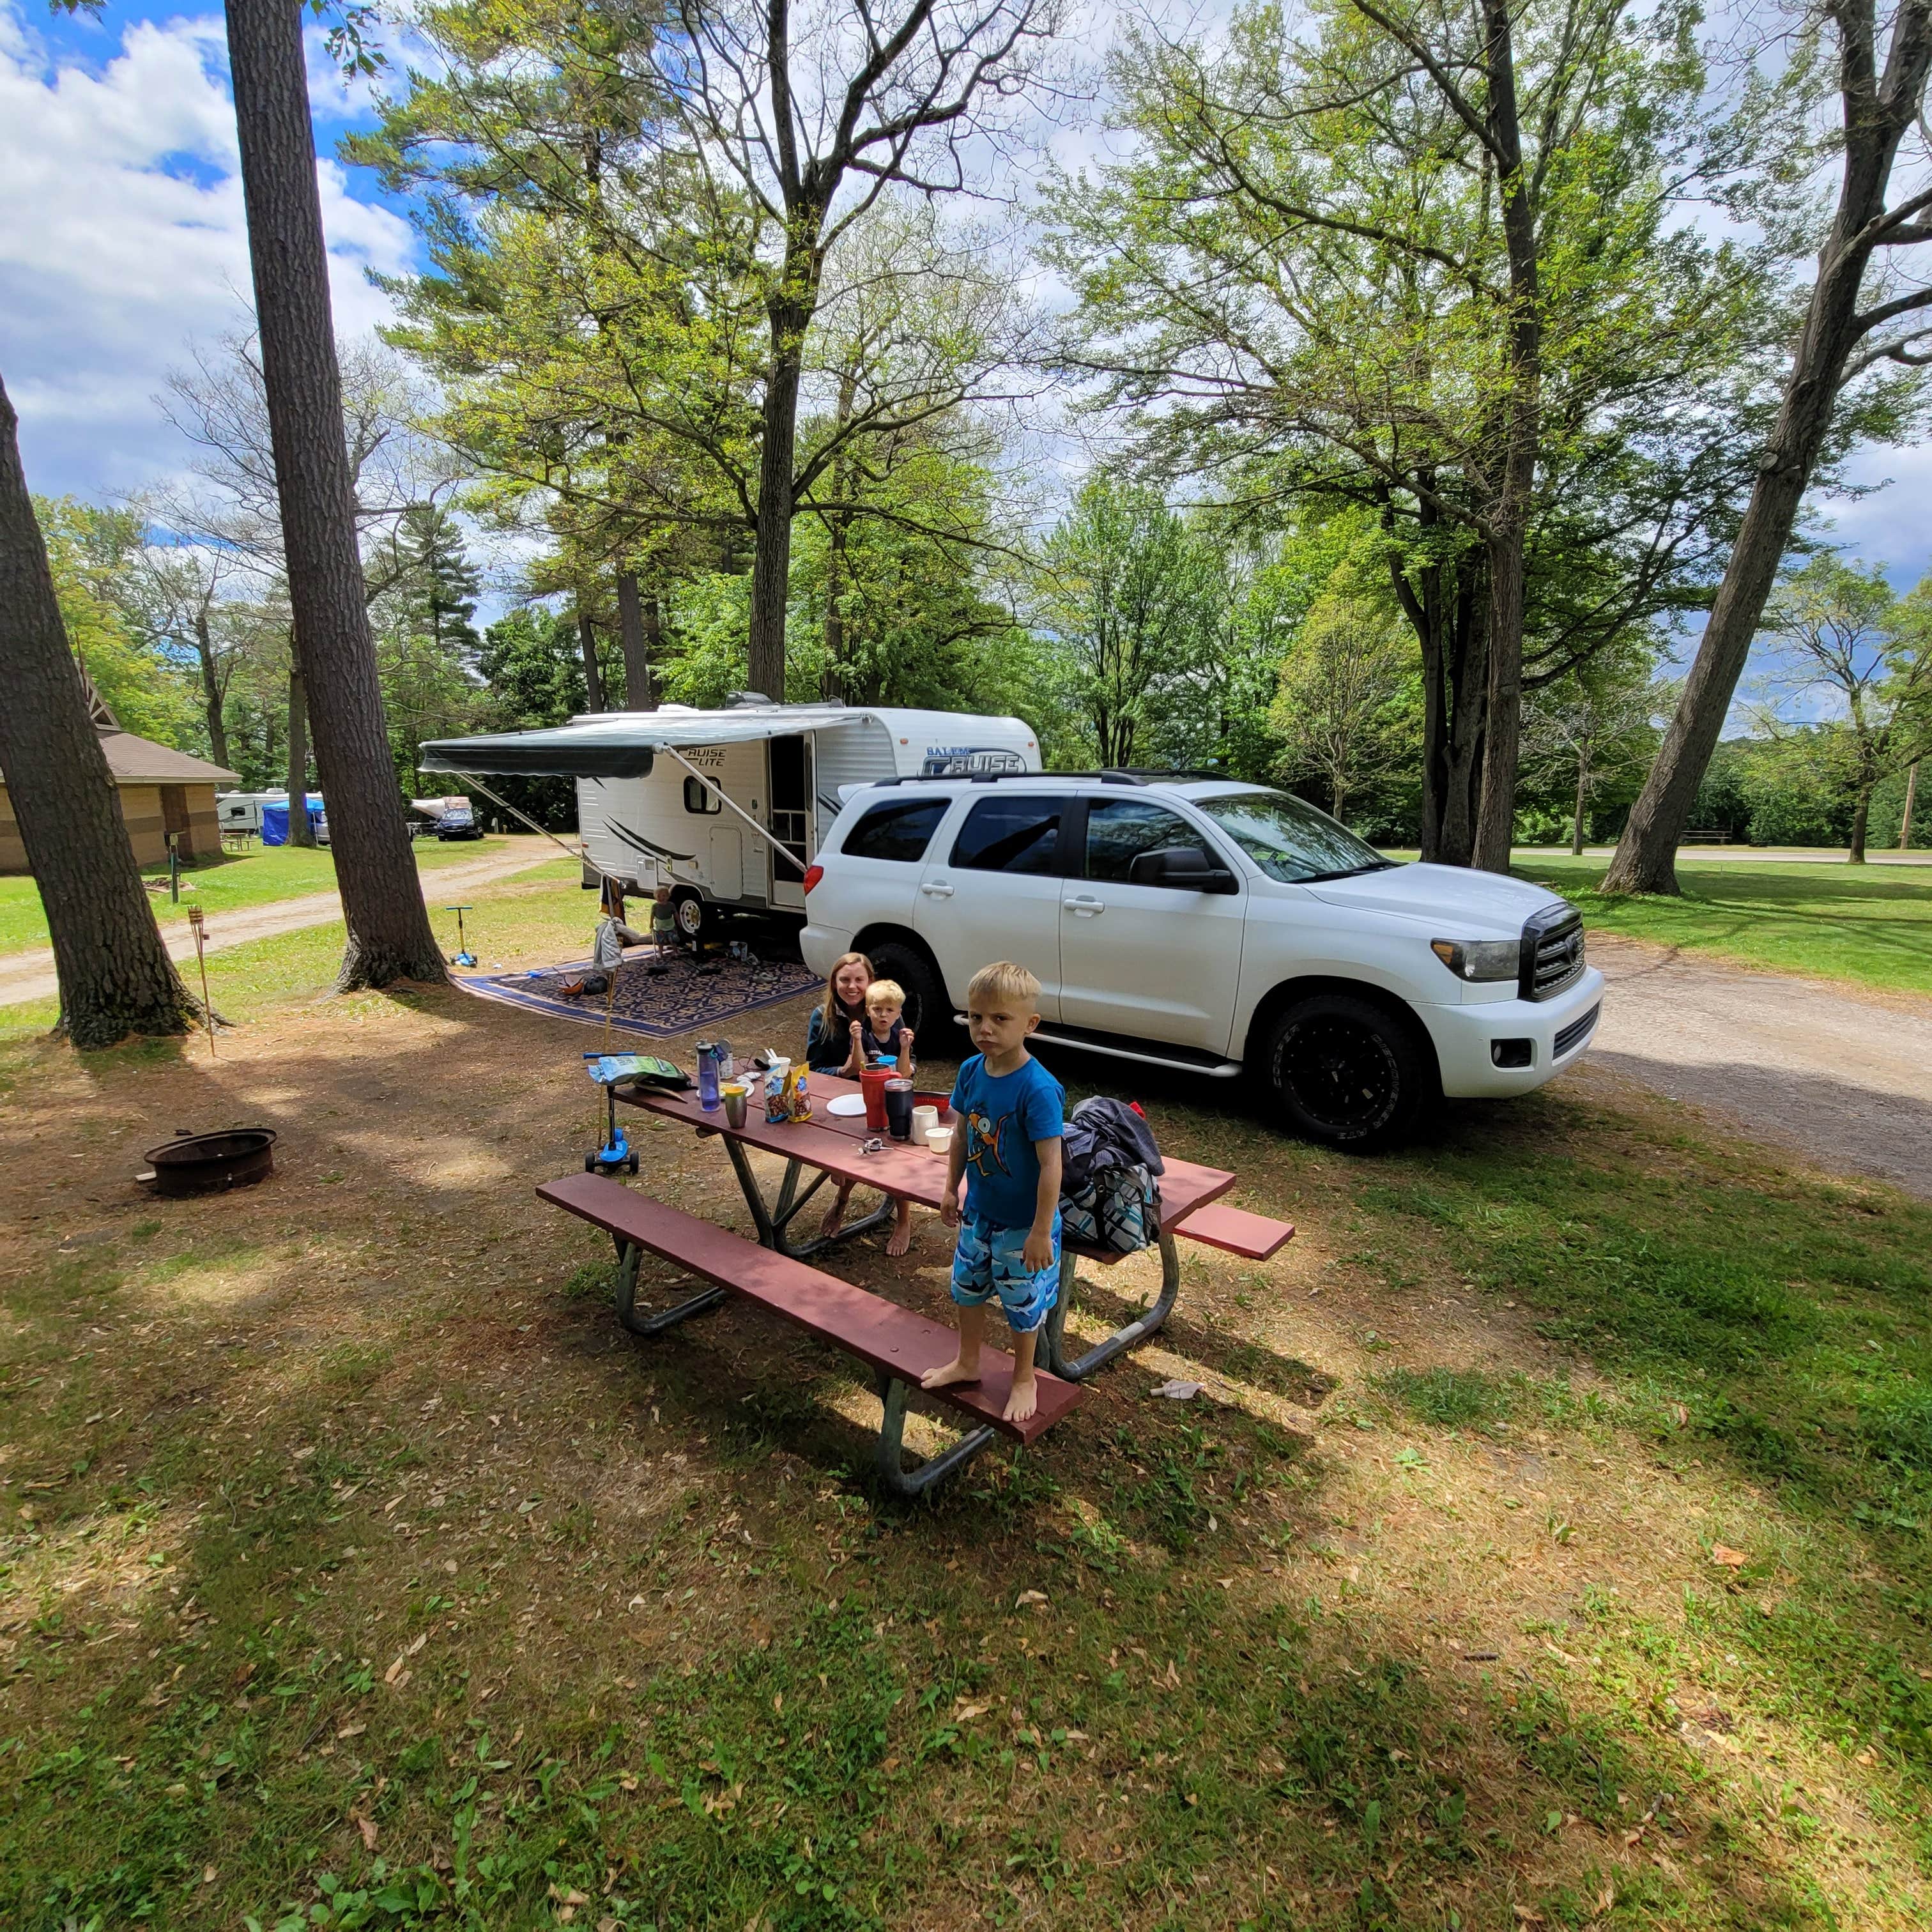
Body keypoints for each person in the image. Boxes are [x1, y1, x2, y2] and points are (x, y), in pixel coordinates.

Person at [922, 961, 1064, 1423]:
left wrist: (1041, 1230)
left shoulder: (1038, 1088)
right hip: (978, 1214)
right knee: (967, 1289)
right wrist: (950, 1188)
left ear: (1030, 1024)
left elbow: (1051, 1165)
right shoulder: (970, 1071)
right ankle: (968, 1361)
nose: (985, 1028)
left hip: (1024, 1227)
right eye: (976, 1016)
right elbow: (963, 1135)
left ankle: (1026, 1376)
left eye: (1000, 1019)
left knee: (1021, 1304)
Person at [806, 952, 873, 1072]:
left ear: (870, 982)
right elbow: (813, 1068)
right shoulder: (822, 1016)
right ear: (834, 983)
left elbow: (908, 1057)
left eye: (859, 980)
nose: (852, 986)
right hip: (838, 1087)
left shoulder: (885, 1012)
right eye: (845, 980)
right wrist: (842, 1072)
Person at [858, 978, 914, 1073]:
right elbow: (858, 1068)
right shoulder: (863, 1035)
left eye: (890, 1010)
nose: (883, 1014)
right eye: (877, 1009)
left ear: (898, 1014)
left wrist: (905, 1048)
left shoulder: (900, 1037)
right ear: (868, 1011)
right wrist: (856, 1040)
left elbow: (904, 1074)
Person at [649, 884, 678, 954]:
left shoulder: (671, 905)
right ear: (655, 897)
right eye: (658, 896)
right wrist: (651, 923)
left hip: (671, 926)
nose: (661, 898)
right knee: (660, 941)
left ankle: (676, 952)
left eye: (664, 896)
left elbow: (676, 914)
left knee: (674, 940)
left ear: (668, 896)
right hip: (660, 928)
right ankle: (661, 953)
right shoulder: (655, 906)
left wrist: (678, 922)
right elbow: (652, 915)